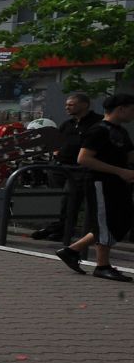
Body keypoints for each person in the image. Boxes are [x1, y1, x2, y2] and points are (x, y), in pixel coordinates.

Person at [56, 92, 134, 282]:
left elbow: (130, 156)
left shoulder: (121, 131)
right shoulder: (98, 130)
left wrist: (126, 171)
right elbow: (84, 158)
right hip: (100, 182)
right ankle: (102, 265)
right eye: (132, 110)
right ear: (121, 109)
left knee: (122, 220)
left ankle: (71, 251)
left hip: (119, 183)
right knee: (106, 222)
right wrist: (119, 171)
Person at [48, 93, 105, 245]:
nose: (67, 107)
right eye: (67, 104)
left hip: (81, 169)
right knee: (65, 201)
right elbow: (57, 140)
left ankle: (67, 232)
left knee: (71, 199)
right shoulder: (68, 124)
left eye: (71, 105)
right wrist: (56, 152)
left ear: (84, 105)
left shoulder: (97, 123)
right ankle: (61, 229)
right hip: (62, 167)